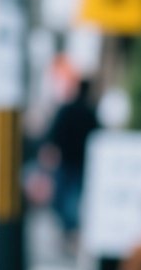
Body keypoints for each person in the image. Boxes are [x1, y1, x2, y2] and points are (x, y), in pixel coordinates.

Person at [42, 77, 99, 252]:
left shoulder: (66, 109)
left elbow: (53, 133)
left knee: (62, 198)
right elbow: (98, 136)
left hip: (65, 161)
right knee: (74, 198)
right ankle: (72, 233)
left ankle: (68, 232)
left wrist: (50, 151)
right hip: (82, 163)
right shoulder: (90, 112)